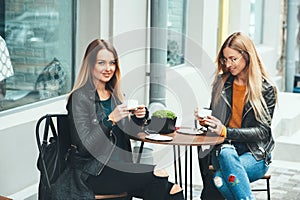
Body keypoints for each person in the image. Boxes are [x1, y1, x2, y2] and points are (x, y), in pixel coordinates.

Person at [52, 39, 184, 200]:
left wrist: (138, 119)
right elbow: (84, 147)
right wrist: (110, 120)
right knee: (159, 178)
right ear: (90, 65)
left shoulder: (114, 95)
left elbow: (127, 132)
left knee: (174, 191)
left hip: (120, 167)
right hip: (93, 172)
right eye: (101, 63)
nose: (108, 69)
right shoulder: (80, 98)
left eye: (112, 63)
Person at [195, 32, 277, 200]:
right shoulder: (222, 82)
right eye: (225, 60)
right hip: (223, 149)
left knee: (219, 180)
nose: (228, 64)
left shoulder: (266, 89)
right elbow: (216, 116)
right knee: (225, 152)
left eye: (233, 59)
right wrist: (206, 119)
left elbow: (263, 132)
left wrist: (225, 131)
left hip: (254, 154)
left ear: (247, 56)